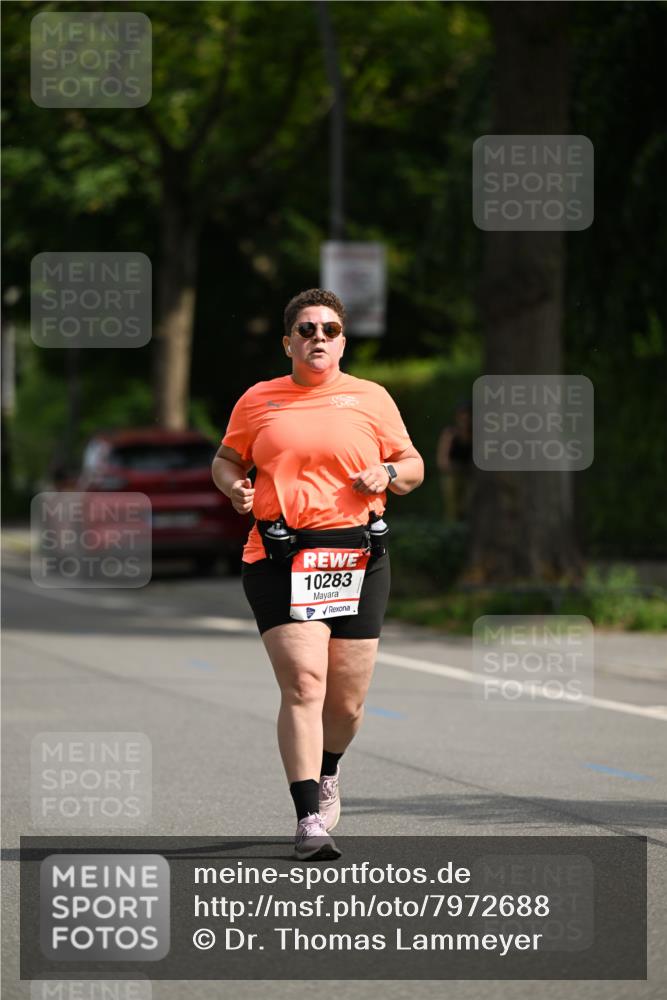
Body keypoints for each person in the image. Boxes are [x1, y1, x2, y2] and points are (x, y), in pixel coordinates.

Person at [212, 289, 424, 860]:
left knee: (347, 703)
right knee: (305, 683)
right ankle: (309, 818)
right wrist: (234, 485)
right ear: (288, 342)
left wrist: (387, 473)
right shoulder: (259, 400)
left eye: (329, 329)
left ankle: (328, 771)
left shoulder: (370, 398)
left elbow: (413, 466)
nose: (318, 338)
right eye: (306, 330)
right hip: (281, 556)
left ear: (342, 341)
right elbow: (228, 458)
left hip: (356, 558)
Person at [436, 400, 473, 523]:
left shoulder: (475, 435)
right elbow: (442, 460)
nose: (465, 418)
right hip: (452, 475)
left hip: (469, 476)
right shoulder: (450, 434)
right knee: (452, 508)